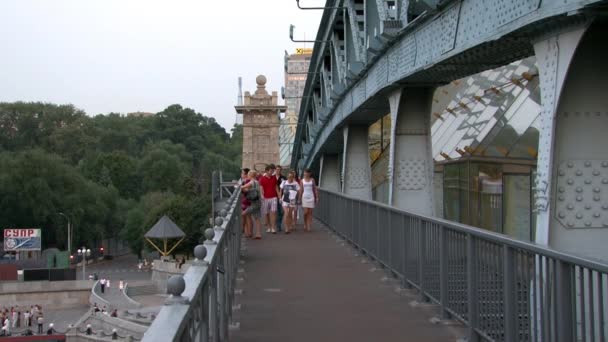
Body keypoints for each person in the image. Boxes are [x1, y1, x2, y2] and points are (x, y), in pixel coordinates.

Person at [259, 164, 280, 234]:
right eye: (271, 171)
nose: (272, 172)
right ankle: (269, 227)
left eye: (273, 171)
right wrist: (262, 195)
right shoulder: (262, 179)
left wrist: (279, 196)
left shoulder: (274, 178)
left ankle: (273, 228)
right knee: (266, 213)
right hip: (265, 198)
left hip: (273, 197)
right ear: (267, 171)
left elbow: (276, 187)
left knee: (273, 212)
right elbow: (261, 188)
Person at [242, 170, 262, 239]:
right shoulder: (257, 182)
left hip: (254, 203)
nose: (247, 176)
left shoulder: (251, 182)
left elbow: (243, 187)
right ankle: (258, 234)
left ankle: (242, 230)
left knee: (243, 213)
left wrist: (238, 186)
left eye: (248, 175)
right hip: (258, 202)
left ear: (250, 175)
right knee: (257, 218)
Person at [240, 168, 253, 238]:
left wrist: (241, 188)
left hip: (247, 201)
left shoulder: (247, 181)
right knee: (245, 216)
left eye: (242, 173)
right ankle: (247, 232)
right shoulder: (245, 181)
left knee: (248, 217)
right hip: (245, 200)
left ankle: (249, 232)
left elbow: (247, 190)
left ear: (246, 174)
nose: (241, 175)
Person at [275, 165, 287, 233]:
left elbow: (286, 187)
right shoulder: (272, 177)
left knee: (282, 211)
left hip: (282, 196)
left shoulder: (284, 178)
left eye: (279, 169)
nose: (278, 171)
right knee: (275, 211)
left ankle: (279, 223)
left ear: (281, 170)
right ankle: (277, 225)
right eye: (277, 169)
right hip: (273, 196)